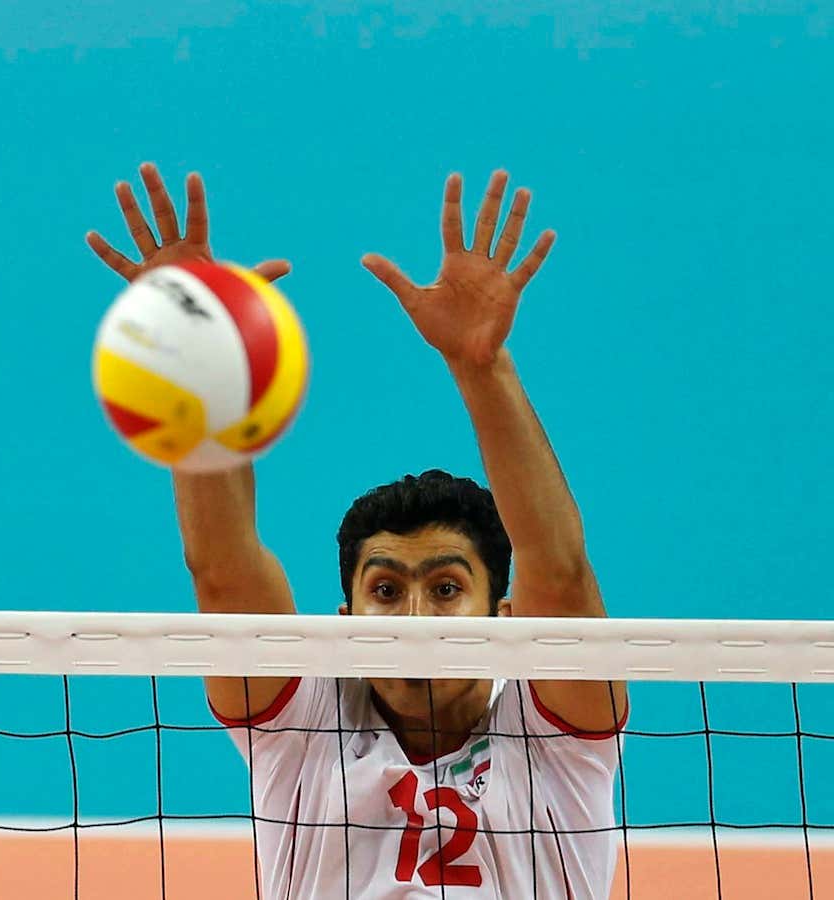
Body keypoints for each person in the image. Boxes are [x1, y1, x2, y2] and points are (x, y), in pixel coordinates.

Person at [88, 166, 629, 899]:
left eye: (446, 588)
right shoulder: (304, 728)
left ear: (508, 621)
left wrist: (482, 366)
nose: (414, 617)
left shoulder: (558, 741)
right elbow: (222, 568)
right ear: (342, 623)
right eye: (384, 589)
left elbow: (560, 577)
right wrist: (199, 359)